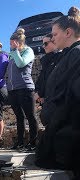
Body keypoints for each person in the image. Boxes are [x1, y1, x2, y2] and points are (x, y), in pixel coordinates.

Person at [35, 7, 80, 176]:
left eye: (54, 35)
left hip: (70, 137)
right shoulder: (68, 55)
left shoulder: (76, 54)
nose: (52, 38)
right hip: (63, 134)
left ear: (68, 32)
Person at [7, 28, 39, 151]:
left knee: (30, 116)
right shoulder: (12, 54)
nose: (11, 46)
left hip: (25, 88)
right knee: (19, 117)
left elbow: (21, 64)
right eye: (10, 44)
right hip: (13, 90)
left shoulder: (28, 51)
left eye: (12, 44)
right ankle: (20, 142)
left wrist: (15, 51)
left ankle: (33, 143)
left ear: (19, 42)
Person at [34, 34, 62, 106]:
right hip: (46, 100)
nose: (43, 46)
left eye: (45, 44)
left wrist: (40, 93)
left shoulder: (61, 57)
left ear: (54, 41)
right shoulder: (45, 60)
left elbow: (52, 78)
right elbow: (42, 78)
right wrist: (39, 94)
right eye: (43, 44)